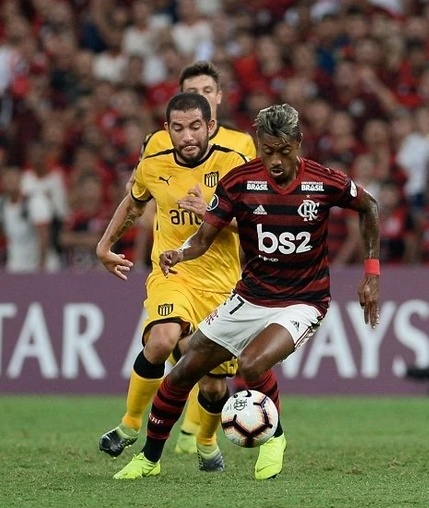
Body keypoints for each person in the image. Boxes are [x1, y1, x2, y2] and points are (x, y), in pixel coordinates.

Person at [111, 103, 380, 480]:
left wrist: (372, 275)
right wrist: (180, 253)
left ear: (298, 143)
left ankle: (275, 438)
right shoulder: (239, 182)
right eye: (267, 150)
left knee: (252, 363)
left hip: (303, 301)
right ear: (258, 145)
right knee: (182, 372)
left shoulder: (324, 181)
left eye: (284, 151)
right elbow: (205, 238)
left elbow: (369, 207)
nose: (274, 161)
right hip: (250, 296)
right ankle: (149, 459)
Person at [95, 92, 249, 472]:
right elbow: (133, 204)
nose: (188, 136)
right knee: (162, 338)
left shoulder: (235, 165)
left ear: (211, 126)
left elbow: (255, 225)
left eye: (196, 126)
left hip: (221, 285)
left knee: (213, 386)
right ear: (168, 130)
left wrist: (211, 214)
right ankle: (130, 424)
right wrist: (104, 245)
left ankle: (207, 439)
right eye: (178, 128)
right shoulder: (153, 165)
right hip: (172, 273)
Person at [136, 60, 258, 455]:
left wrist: (217, 214)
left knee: (211, 374)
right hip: (178, 266)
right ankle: (154, 429)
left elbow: (254, 213)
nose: (200, 99)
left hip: (225, 268)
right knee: (171, 341)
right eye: (193, 91)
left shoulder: (240, 146)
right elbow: (139, 196)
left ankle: (200, 434)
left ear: (218, 98)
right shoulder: (157, 145)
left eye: (207, 92)